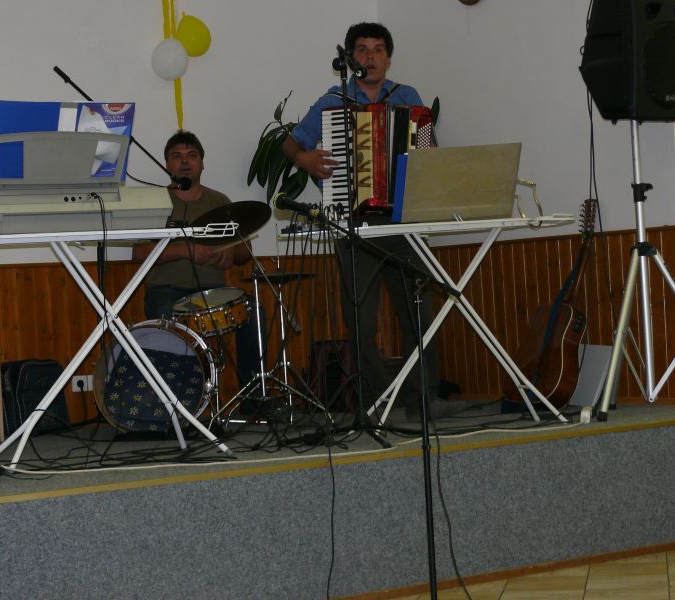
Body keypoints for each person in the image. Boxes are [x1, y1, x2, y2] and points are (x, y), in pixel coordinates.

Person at [283, 22, 458, 421]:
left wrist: (425, 160)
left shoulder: (408, 97)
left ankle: (423, 396)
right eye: (362, 49)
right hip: (354, 222)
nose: (370, 57)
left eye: (378, 49)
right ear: (351, 58)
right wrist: (305, 159)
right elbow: (291, 143)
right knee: (360, 318)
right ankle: (377, 400)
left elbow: (428, 150)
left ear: (388, 58)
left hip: (403, 220)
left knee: (417, 312)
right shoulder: (332, 101)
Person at [134, 130, 265, 411]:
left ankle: (253, 400)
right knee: (163, 312)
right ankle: (176, 406)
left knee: (254, 311)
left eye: (192, 155)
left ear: (202, 163)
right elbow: (139, 253)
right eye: (177, 156)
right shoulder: (154, 201)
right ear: (166, 164)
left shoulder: (220, 201)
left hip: (213, 293)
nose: (185, 162)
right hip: (166, 291)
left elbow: (245, 252)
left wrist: (231, 253)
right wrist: (185, 250)